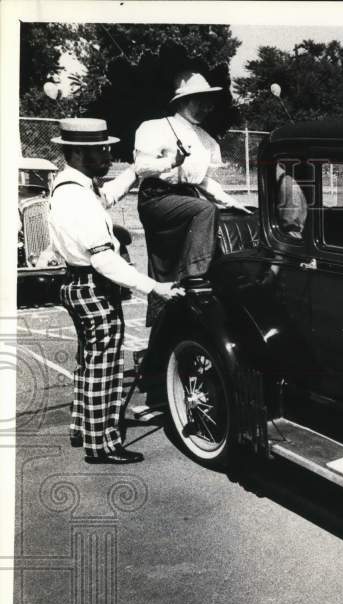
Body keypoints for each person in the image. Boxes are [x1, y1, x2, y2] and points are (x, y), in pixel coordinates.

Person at [48, 118, 185, 464]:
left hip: (75, 283)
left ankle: (83, 428)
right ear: (78, 152)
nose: (108, 154)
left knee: (88, 361)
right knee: (104, 367)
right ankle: (102, 445)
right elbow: (104, 261)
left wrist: (140, 172)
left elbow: (106, 196)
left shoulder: (73, 186)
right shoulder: (76, 198)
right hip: (92, 284)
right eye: (100, 150)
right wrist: (154, 287)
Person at [134, 71, 248, 324]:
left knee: (218, 214)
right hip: (157, 198)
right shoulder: (155, 128)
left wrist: (232, 202)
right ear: (182, 102)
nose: (206, 107)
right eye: (200, 100)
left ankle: (174, 319)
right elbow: (141, 168)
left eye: (209, 102)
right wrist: (171, 162)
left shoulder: (206, 140)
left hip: (188, 198)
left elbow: (204, 181)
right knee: (204, 210)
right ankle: (195, 277)